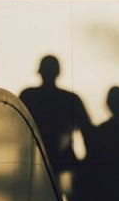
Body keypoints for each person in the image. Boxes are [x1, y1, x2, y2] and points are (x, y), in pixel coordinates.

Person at [19, 55, 93, 190]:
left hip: (34, 164)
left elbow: (16, 129)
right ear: (58, 73)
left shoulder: (28, 96)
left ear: (39, 72)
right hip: (63, 164)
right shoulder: (70, 99)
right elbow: (88, 132)